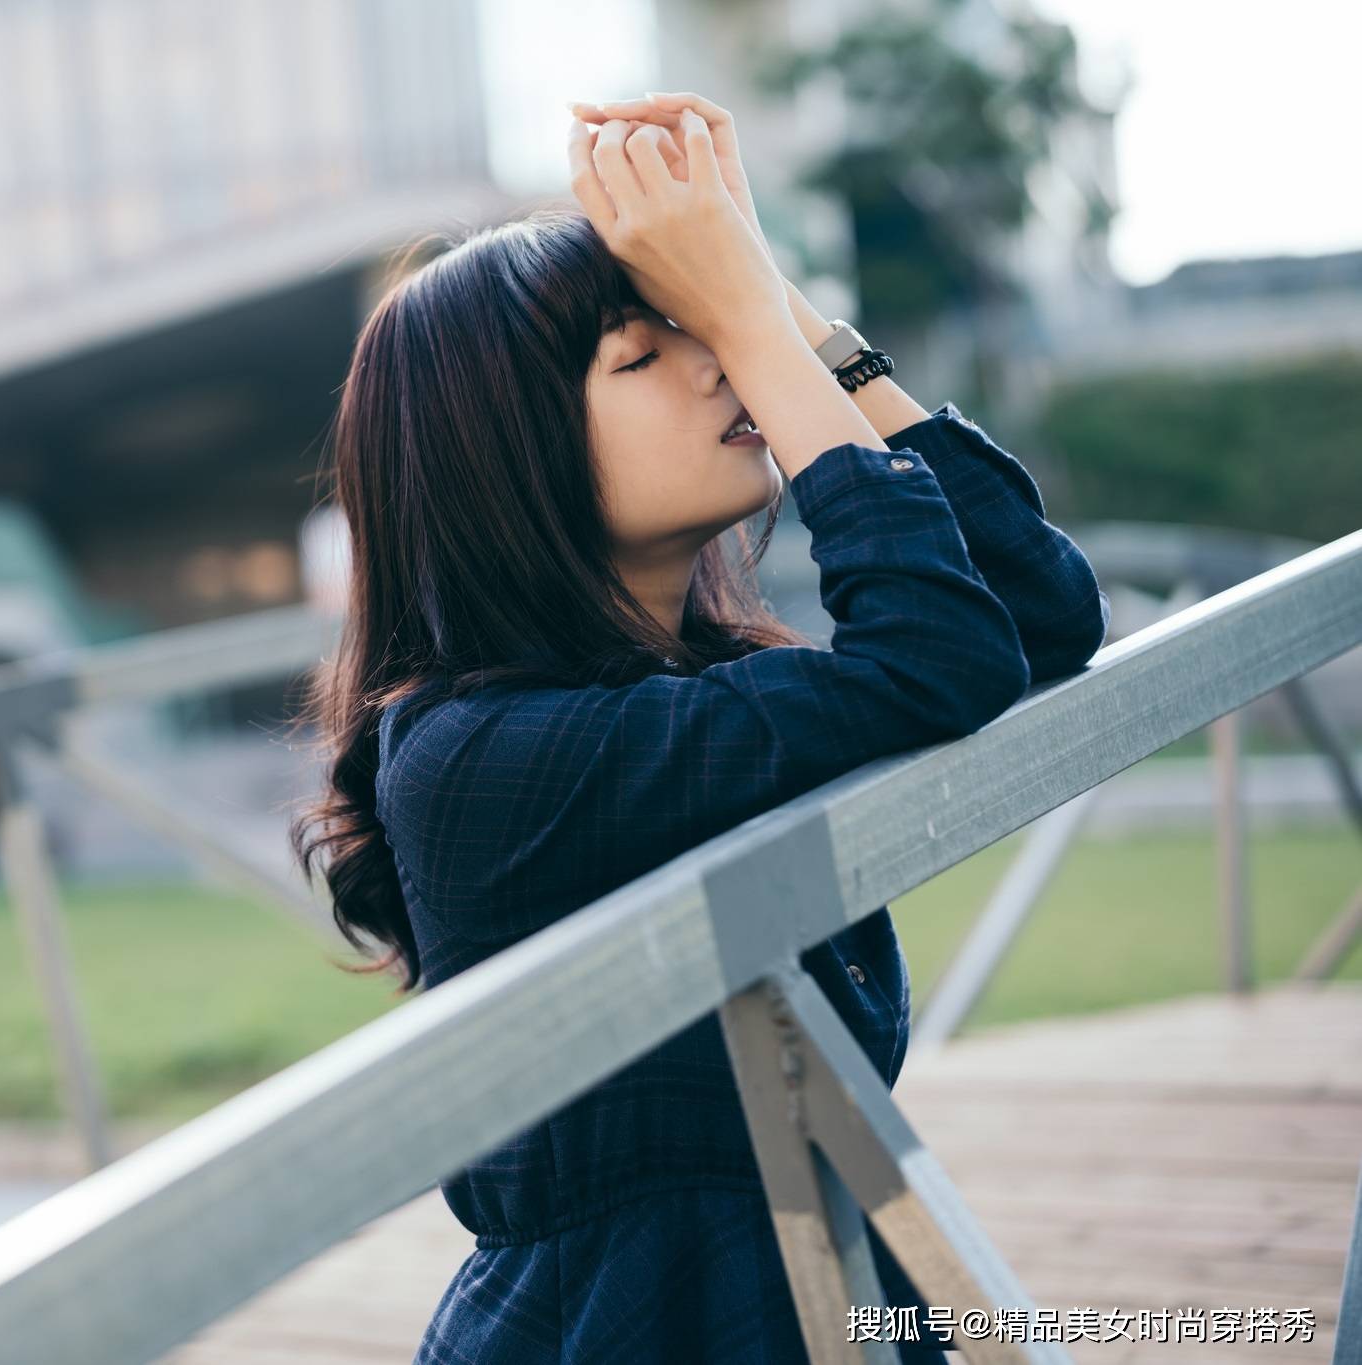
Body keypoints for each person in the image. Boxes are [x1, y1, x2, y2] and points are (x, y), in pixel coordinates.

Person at [288, 90, 1109, 1365]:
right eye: (642, 351)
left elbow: (1039, 615)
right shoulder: (478, 757)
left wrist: (774, 302)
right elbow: (938, 660)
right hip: (629, 1325)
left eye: (698, 328)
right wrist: (744, 321)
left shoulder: (700, 680)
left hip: (815, 1282)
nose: (715, 361)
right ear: (507, 459)